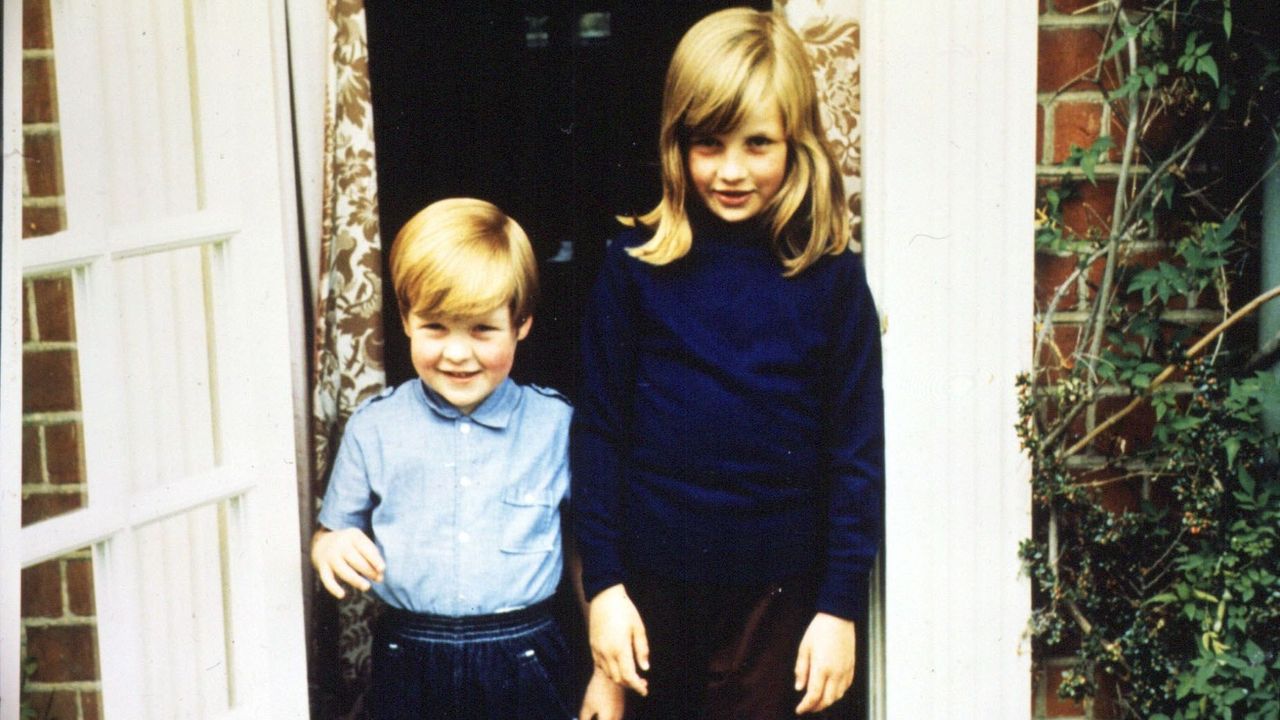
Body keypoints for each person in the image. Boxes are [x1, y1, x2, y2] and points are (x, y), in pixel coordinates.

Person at [571, 8, 884, 719]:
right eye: (708, 145)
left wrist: (838, 608)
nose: (732, 170)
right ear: (675, 143)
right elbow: (599, 438)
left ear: (797, 144)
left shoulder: (830, 280)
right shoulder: (633, 269)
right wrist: (606, 590)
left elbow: (855, 457)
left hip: (780, 602)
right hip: (653, 597)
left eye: (758, 144)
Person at [312, 198, 623, 720]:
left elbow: (589, 553)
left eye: (481, 329)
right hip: (407, 656)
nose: (458, 353)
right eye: (436, 327)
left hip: (525, 657)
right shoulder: (374, 427)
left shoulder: (556, 426)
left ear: (521, 324)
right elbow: (332, 532)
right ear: (406, 319)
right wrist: (331, 545)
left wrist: (606, 675)